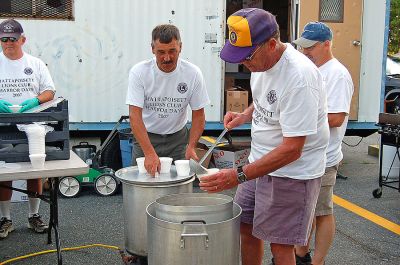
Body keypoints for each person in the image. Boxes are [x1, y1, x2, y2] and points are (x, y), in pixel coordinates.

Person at [199, 8, 330, 265]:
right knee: (245, 227)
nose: (243, 63)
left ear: (271, 44)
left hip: (292, 173)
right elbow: (263, 101)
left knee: (281, 246)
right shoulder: (261, 63)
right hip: (259, 163)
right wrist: (244, 115)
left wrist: (237, 174)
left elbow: (293, 149)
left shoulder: (299, 77)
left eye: (247, 56)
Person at [293, 22, 354, 265]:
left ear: (327, 44)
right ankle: (300, 254)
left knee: (321, 212)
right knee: (304, 211)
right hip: (306, 156)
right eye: (303, 47)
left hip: (325, 158)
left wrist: (299, 120)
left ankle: (317, 262)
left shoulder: (337, 74)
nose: (305, 51)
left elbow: (337, 117)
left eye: (310, 47)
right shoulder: (312, 69)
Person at [126, 24, 210, 176]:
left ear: (180, 47)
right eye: (161, 52)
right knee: (143, 184)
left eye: (172, 51)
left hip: (178, 140)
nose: (167, 58)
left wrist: (191, 146)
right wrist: (149, 152)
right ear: (152, 49)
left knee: (179, 187)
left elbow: (199, 114)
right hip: (146, 138)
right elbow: (134, 116)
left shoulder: (193, 73)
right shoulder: (139, 72)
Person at [0, 19, 55, 239]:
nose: (8, 43)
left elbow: (49, 91)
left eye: (13, 38)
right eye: (4, 39)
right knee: (4, 169)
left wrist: (34, 101)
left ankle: (34, 215)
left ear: (23, 39)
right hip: (3, 126)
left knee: (34, 167)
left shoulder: (36, 63)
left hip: (32, 124)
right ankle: (5, 219)